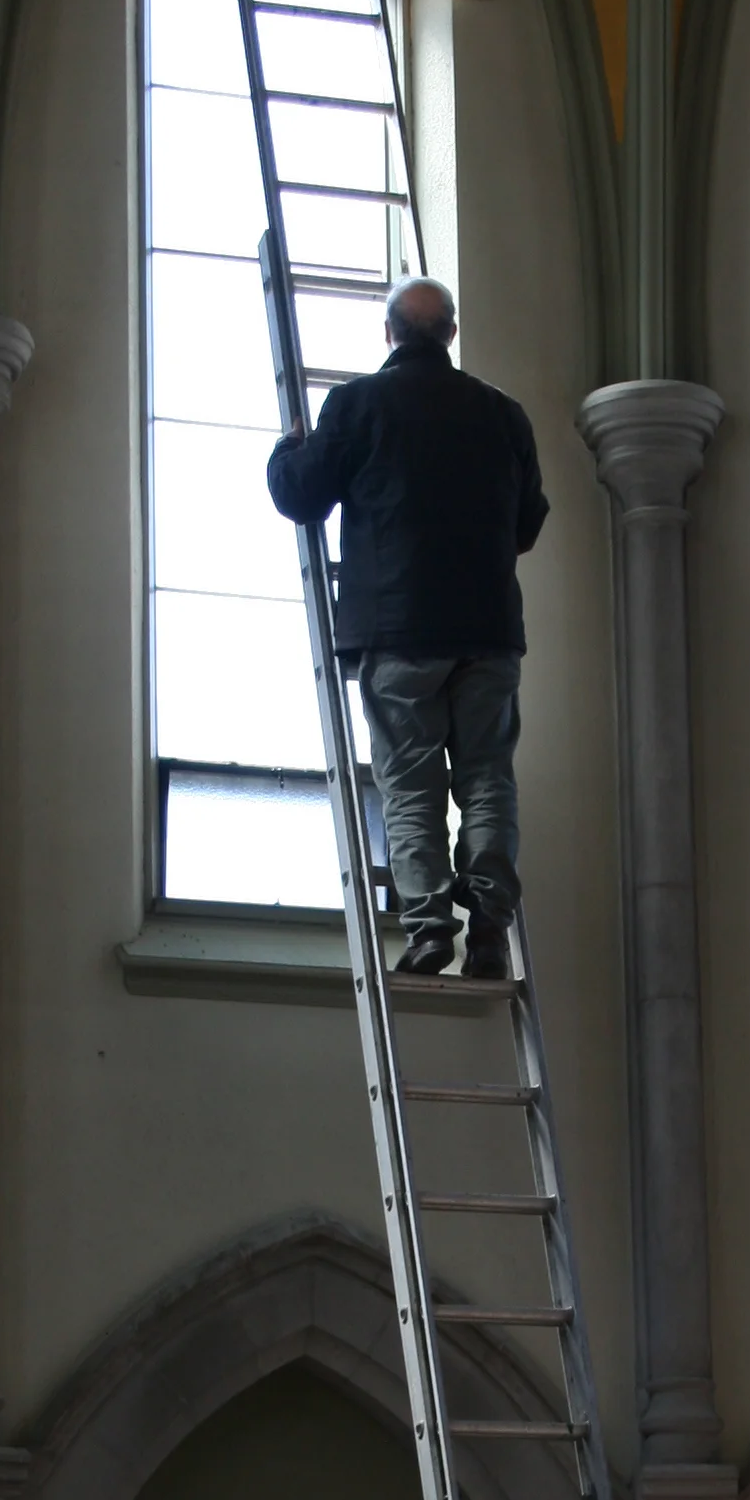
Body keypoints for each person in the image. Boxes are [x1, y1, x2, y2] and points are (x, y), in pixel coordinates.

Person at [267, 276, 547, 979]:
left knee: (409, 782)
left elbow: (302, 495)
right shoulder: (503, 415)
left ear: (389, 334)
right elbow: (527, 525)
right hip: (486, 632)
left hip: (398, 631)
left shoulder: (358, 404)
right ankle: (488, 925)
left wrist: (285, 449)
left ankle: (428, 930)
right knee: (487, 778)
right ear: (450, 335)